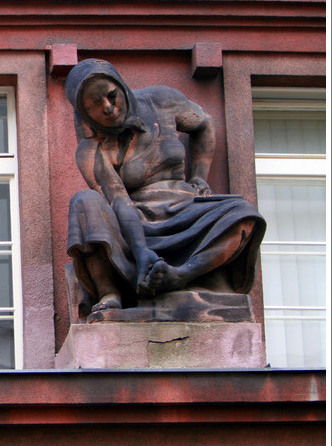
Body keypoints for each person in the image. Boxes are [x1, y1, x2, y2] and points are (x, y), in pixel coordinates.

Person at [65, 58, 265, 315]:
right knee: (84, 201)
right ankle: (110, 291)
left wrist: (199, 177)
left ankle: (181, 275)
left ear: (120, 86)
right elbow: (119, 201)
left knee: (243, 214)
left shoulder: (161, 99)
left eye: (111, 95)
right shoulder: (91, 149)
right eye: (95, 104)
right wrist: (141, 252)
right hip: (138, 221)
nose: (109, 108)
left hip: (186, 208)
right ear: (84, 113)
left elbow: (203, 124)